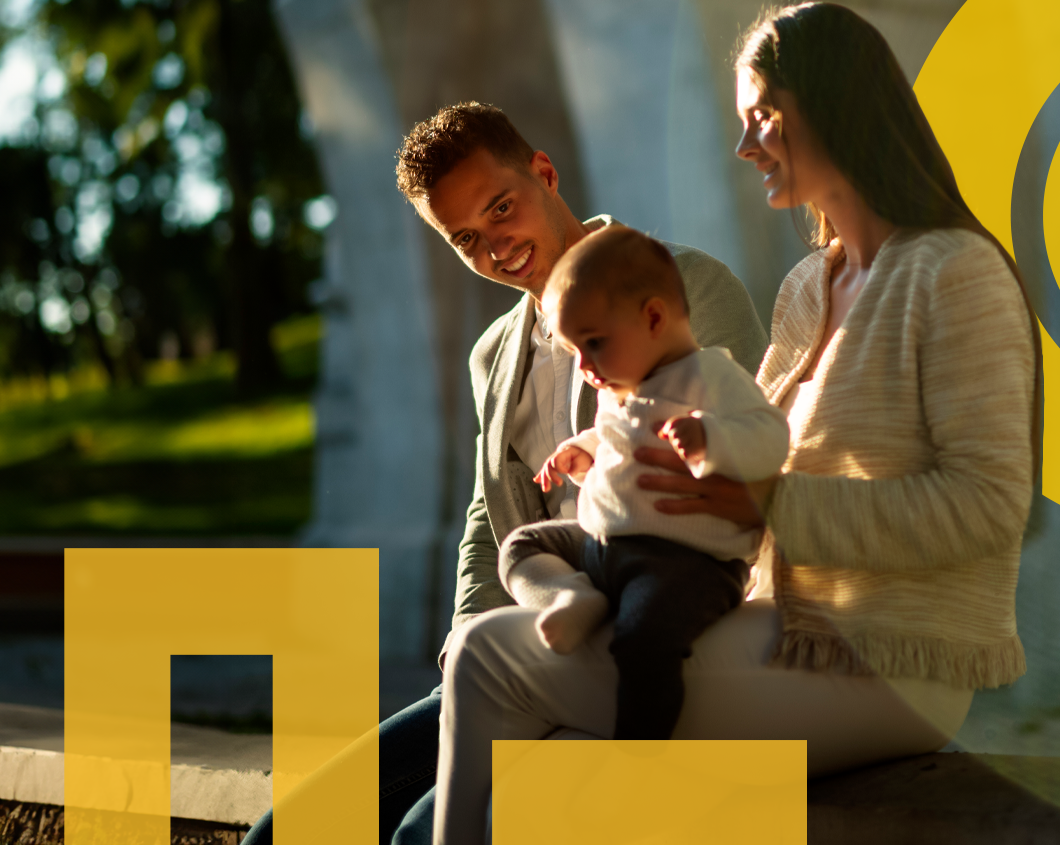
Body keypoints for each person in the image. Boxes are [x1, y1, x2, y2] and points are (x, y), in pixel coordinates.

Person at [432, 1, 1043, 845]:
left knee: (490, 660)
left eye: (762, 118)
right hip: (777, 631)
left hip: (896, 661)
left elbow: (989, 507)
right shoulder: (807, 288)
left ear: (831, 107)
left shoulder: (956, 272)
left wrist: (768, 504)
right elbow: (723, 450)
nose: (745, 146)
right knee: (529, 791)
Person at [239, 103, 767, 845]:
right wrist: (468, 634)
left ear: (545, 174)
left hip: (661, 647)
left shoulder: (685, 288)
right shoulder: (493, 354)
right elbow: (492, 515)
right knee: (287, 833)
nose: (495, 247)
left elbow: (748, 478)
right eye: (465, 239)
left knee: (422, 835)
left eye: (502, 208)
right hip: (531, 641)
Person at [501, 225, 789, 739]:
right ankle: (570, 597)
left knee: (643, 643)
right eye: (576, 353)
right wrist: (582, 451)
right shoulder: (620, 383)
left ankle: (642, 754)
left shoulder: (709, 377)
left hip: (683, 563)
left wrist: (712, 441)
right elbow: (612, 438)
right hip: (605, 549)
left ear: (653, 317)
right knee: (523, 546)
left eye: (593, 345)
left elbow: (770, 437)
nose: (586, 369)